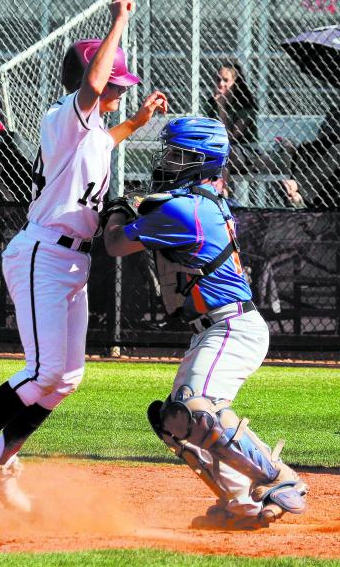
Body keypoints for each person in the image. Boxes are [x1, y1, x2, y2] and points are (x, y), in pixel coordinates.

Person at [0, 0, 168, 511]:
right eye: (113, 83)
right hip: (42, 251)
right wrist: (119, 22)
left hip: (73, 260)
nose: (118, 90)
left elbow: (107, 140)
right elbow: (90, 88)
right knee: (42, 371)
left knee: (67, 376)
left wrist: (140, 121)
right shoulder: (65, 116)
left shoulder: (91, 136)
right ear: (91, 80)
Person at [102, 115, 308, 530]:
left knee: (197, 410)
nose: (168, 162)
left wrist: (115, 209)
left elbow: (115, 243)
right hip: (215, 328)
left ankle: (277, 477)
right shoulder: (194, 202)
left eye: (178, 156)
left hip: (232, 326)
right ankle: (240, 506)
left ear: (202, 161)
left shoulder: (185, 209)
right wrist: (136, 205)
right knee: (174, 422)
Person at [206, 61, 258, 203]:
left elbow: (231, 137)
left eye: (226, 80)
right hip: (217, 150)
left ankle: (222, 191)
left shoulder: (246, 104)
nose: (221, 84)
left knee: (226, 149)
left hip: (244, 150)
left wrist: (222, 108)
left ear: (236, 83)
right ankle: (217, 192)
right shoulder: (211, 103)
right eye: (218, 79)